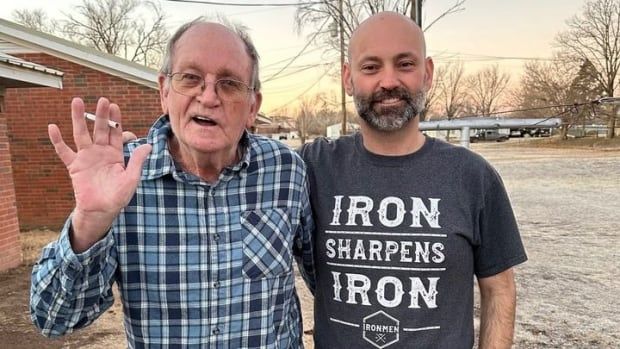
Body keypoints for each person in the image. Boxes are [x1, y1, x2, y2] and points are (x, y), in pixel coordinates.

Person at [30, 18, 314, 348]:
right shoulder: (122, 178)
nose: (208, 97)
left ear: (253, 106)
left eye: (230, 83)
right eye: (191, 78)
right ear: (164, 92)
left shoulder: (286, 171)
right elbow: (52, 319)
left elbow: (330, 282)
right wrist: (90, 221)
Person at [298, 12, 527, 349]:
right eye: (371, 67)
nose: (388, 81)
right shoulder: (311, 168)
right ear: (348, 78)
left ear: (427, 72)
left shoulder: (473, 176)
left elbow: (500, 289)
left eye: (404, 64)